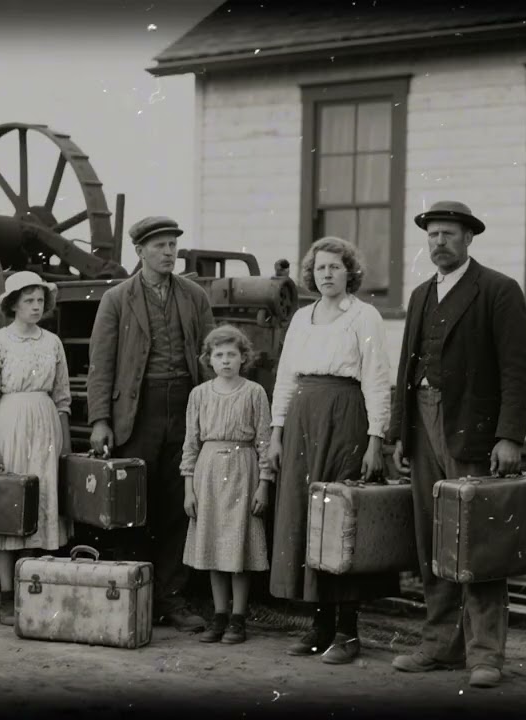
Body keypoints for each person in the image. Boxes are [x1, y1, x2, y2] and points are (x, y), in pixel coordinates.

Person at [387, 200, 526, 689]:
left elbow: (519, 369)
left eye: (449, 234)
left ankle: (486, 655)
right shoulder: (419, 295)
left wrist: (509, 435)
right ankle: (440, 645)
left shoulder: (497, 290)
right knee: (435, 538)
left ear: (469, 239)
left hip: (472, 431)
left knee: (478, 541)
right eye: (433, 235)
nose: (439, 243)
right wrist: (399, 432)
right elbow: (406, 371)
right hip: (423, 427)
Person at [267, 236, 396, 665]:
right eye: (320, 268)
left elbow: (377, 378)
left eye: (335, 268)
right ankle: (319, 629)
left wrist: (377, 439)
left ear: (349, 272)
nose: (327, 274)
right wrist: (276, 433)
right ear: (311, 274)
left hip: (346, 418)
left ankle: (347, 632)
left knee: (340, 521)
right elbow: (285, 377)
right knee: (308, 520)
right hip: (303, 419)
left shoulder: (365, 317)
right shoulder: (302, 318)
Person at [87, 215, 215, 633]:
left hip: (185, 407)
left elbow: (211, 355)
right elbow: (101, 366)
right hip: (136, 414)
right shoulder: (118, 299)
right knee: (133, 505)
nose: (169, 252)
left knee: (179, 504)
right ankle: (132, 592)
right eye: (159, 246)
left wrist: (210, 411)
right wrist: (101, 420)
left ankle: (172, 598)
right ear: (139, 252)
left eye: (173, 245)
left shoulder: (194, 296)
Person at [0, 271, 73, 627]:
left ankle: (30, 588)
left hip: (44, 425)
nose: (35, 306)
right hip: (8, 424)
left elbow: (62, 396)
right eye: (28, 300)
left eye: (40, 301)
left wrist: (64, 443)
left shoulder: (53, 343)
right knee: (8, 507)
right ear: (13, 304)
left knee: (39, 505)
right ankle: (6, 595)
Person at [181, 325, 272, 645]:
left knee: (238, 546)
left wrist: (264, 484)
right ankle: (219, 616)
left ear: (243, 358)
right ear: (209, 359)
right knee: (213, 545)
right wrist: (188, 488)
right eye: (219, 355)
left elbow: (264, 441)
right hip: (207, 471)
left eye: (232, 354)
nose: (225, 361)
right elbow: (190, 444)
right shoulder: (200, 394)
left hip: (242, 471)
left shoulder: (254, 392)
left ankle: (238, 618)